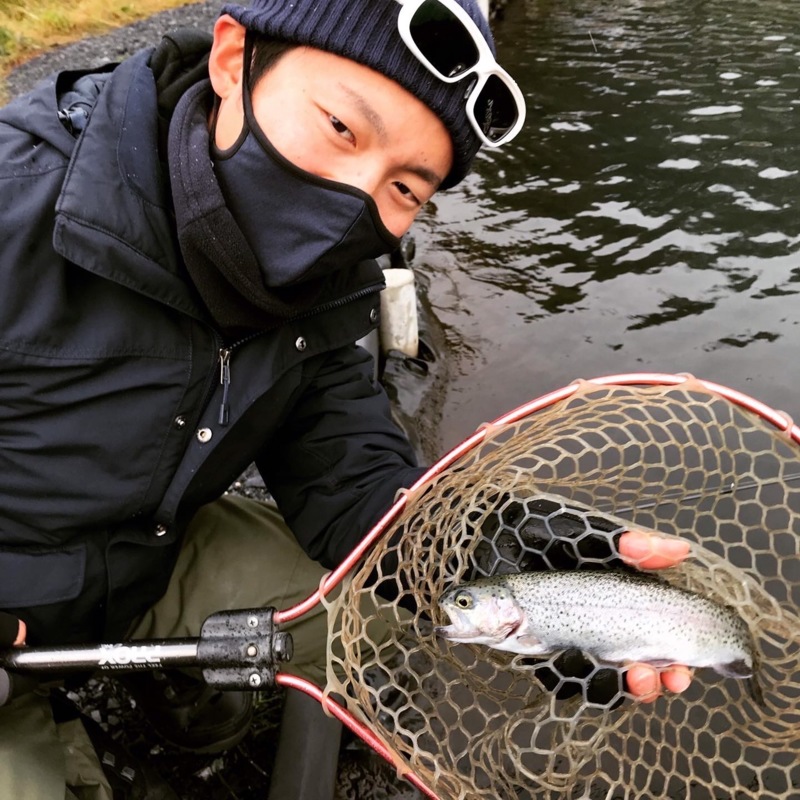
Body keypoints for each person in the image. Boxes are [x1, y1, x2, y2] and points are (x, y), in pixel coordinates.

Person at [0, 0, 692, 796]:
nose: (353, 198)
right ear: (232, 59)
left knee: (366, 614)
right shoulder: (16, 199)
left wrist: (482, 550)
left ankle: (185, 712)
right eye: (340, 127)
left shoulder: (328, 288)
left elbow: (342, 468)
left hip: (141, 561)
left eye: (404, 186)